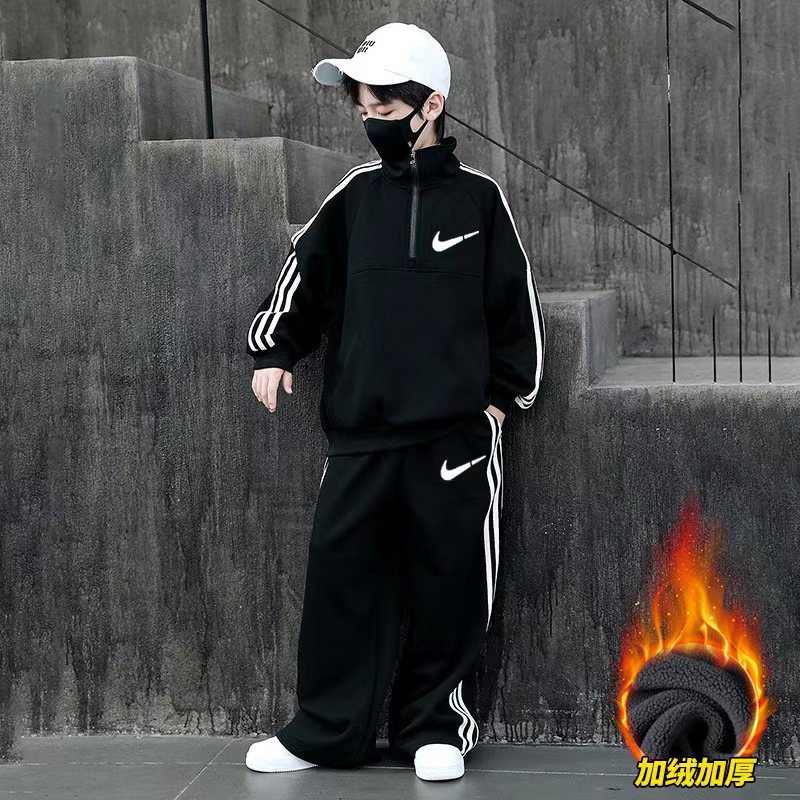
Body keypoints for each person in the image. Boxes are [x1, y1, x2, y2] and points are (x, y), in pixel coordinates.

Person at [244, 21, 546, 782]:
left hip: (454, 440)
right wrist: (274, 349)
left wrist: (500, 402)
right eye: (362, 107)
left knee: (452, 584)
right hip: (362, 435)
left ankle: (436, 727)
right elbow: (302, 276)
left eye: (382, 107)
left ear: (429, 105)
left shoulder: (481, 201)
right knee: (340, 579)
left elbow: (516, 309)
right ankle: (325, 731)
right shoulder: (353, 197)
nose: (368, 119)